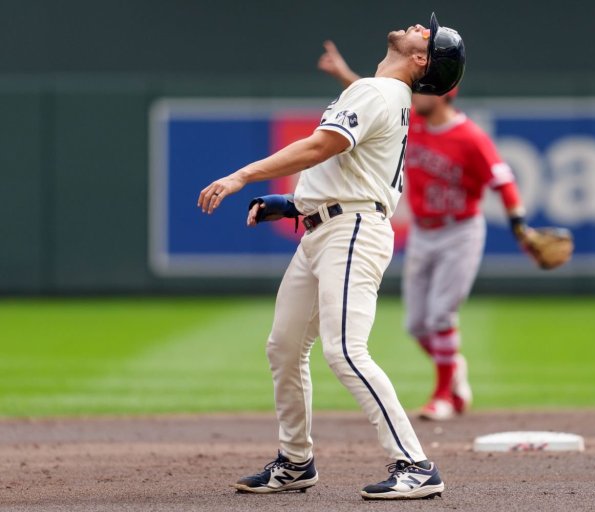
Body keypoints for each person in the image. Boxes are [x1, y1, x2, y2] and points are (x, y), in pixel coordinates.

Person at [198, 14, 464, 500]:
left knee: (345, 350)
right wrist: (294, 204)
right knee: (284, 346)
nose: (417, 27)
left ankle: (415, 464)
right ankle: (295, 462)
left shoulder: (379, 92)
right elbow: (351, 168)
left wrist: (242, 177)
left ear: (421, 59)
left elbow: (322, 146)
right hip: (328, 226)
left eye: (426, 35)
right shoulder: (385, 94)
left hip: (352, 230)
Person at [318, 39, 528, 421]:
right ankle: (454, 370)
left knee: (440, 318)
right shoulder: (410, 121)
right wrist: (345, 74)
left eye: (425, 91)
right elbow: (374, 100)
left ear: (445, 94)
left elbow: (503, 181)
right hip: (424, 232)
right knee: (417, 325)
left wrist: (519, 225)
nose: (416, 96)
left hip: (460, 232)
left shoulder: (470, 137)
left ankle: (445, 395)